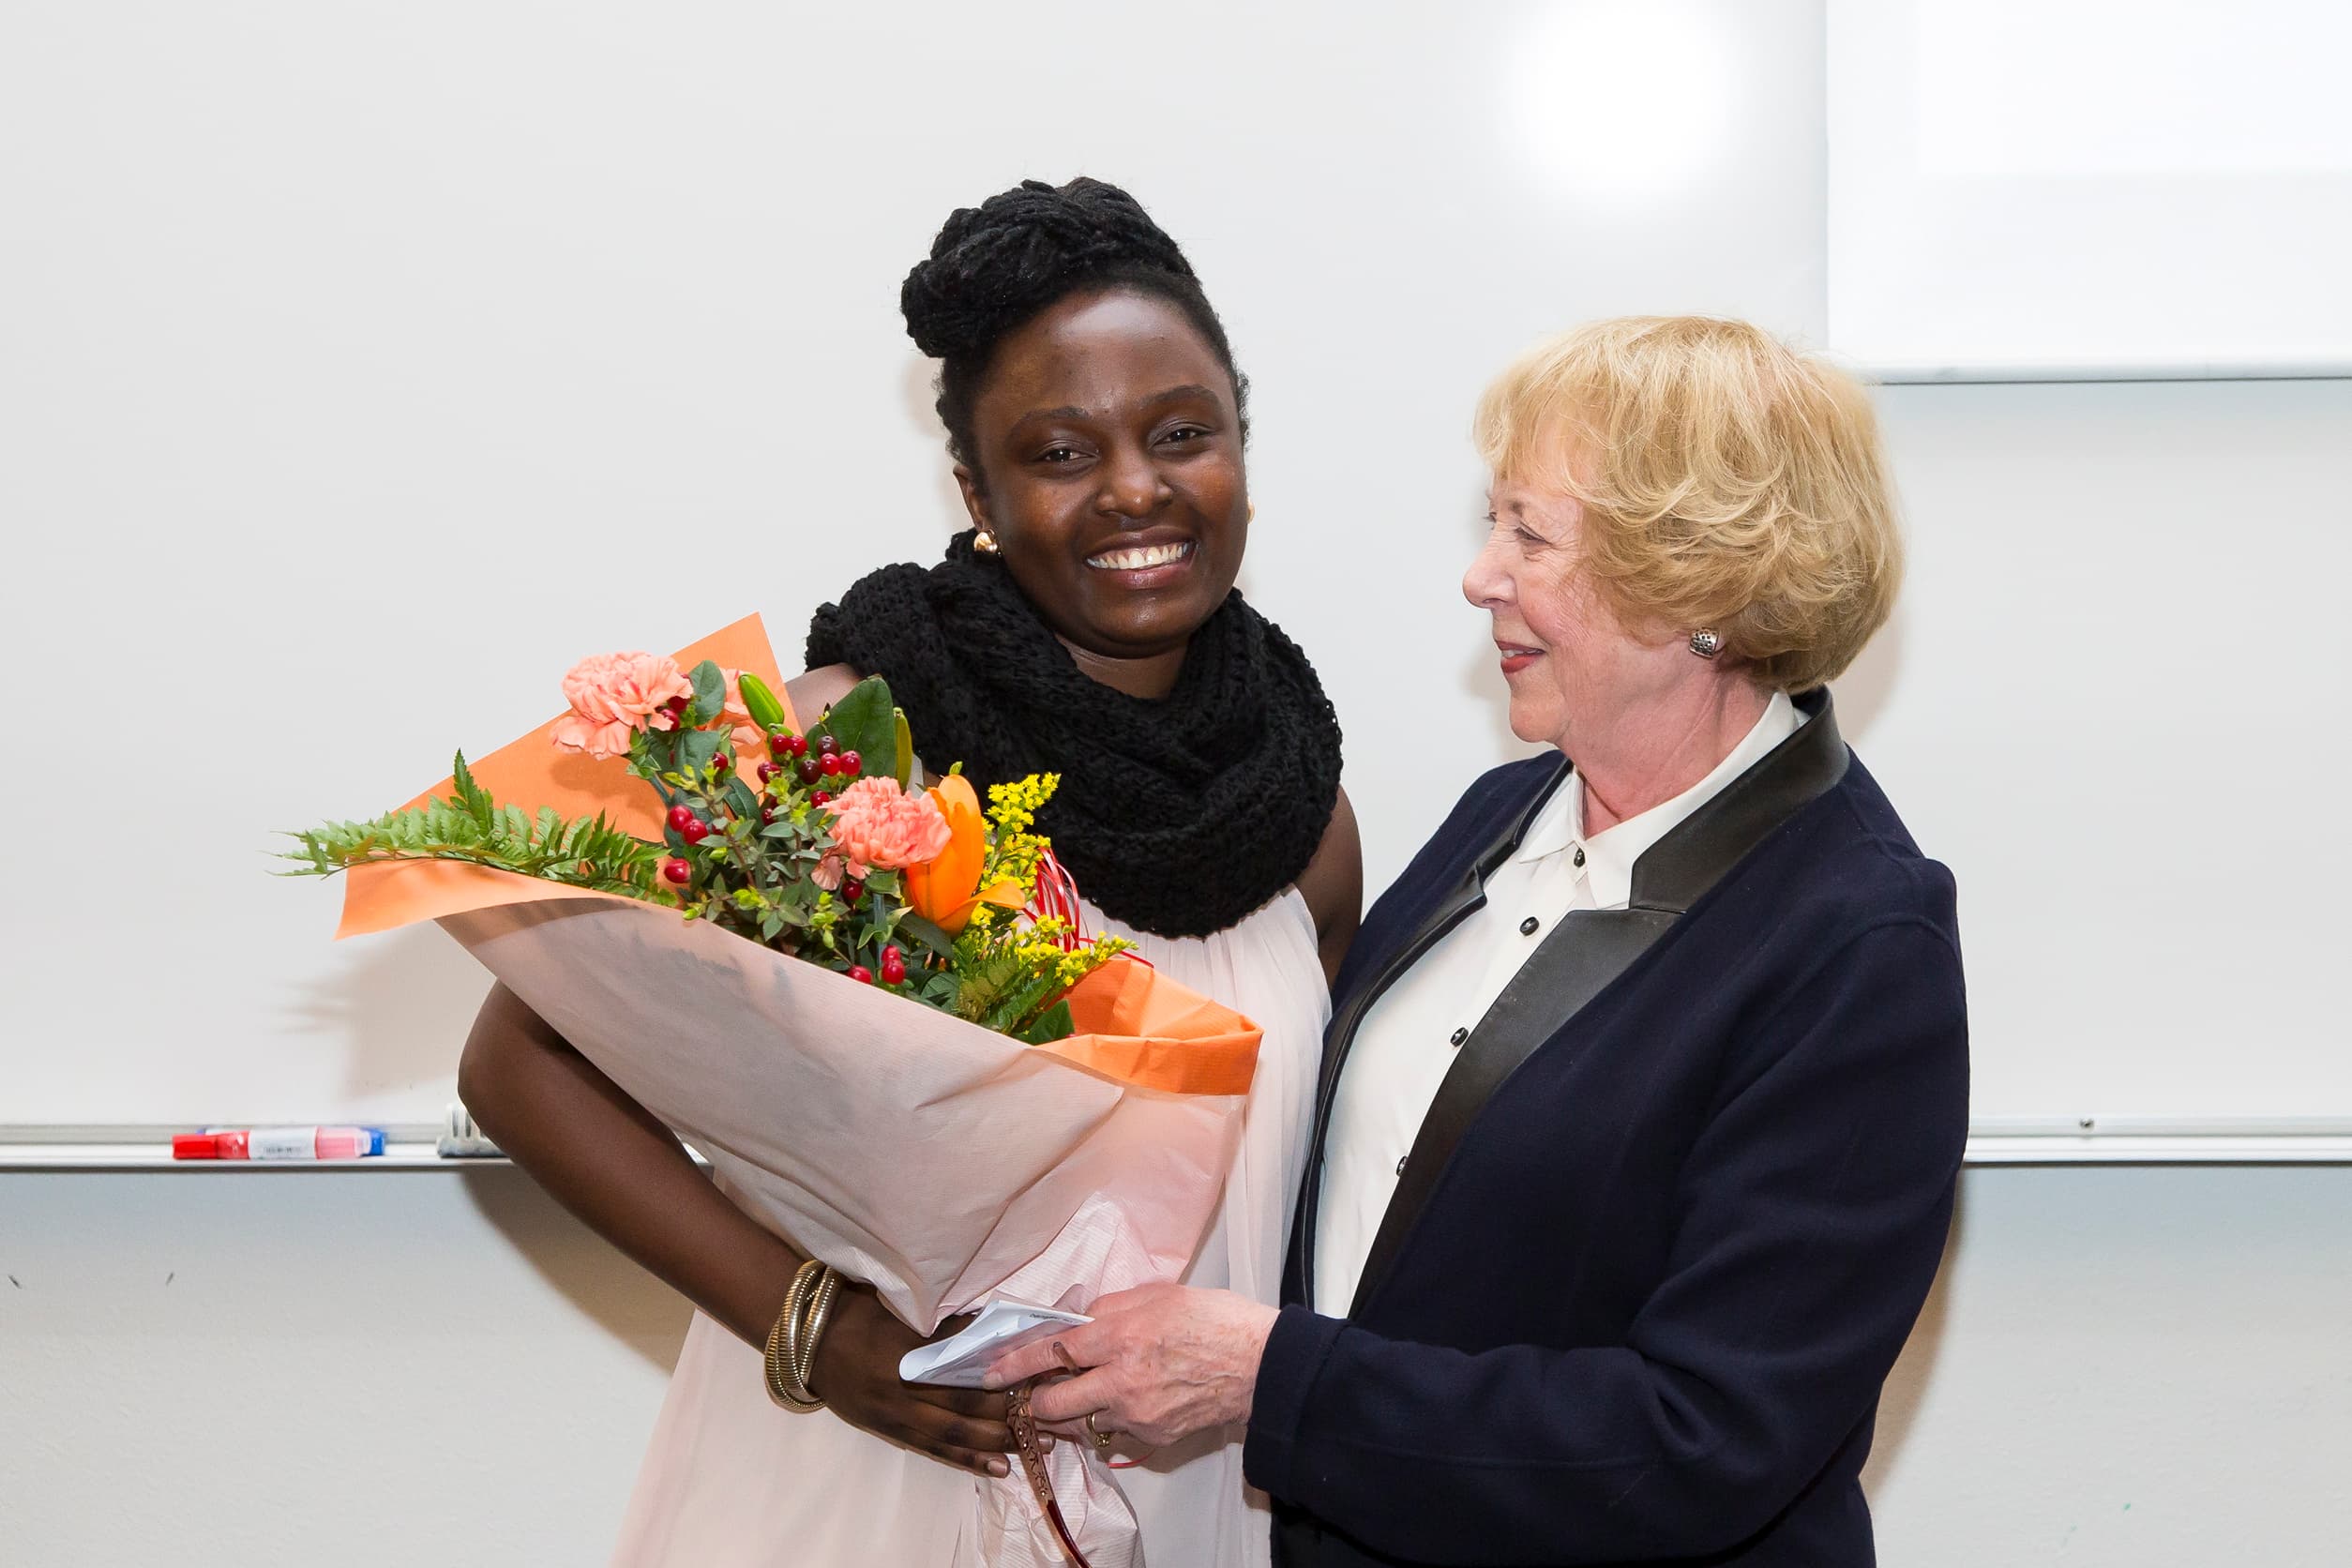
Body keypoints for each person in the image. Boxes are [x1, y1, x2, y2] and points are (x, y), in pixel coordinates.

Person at [458, 176, 1361, 1567]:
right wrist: (818, 1336)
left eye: (1183, 433)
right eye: (1061, 452)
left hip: (1187, 1492)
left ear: (1242, 435)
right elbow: (522, 1068)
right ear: (977, 492)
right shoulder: (845, 743)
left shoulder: (1301, 812)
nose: (1136, 488)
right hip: (866, 1470)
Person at [992, 315, 1969, 1567]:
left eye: (1529, 533)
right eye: (1491, 524)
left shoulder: (1855, 940)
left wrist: (1270, 1380)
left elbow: (1704, 1440)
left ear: (1700, 589)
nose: (1481, 575)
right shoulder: (1510, 809)